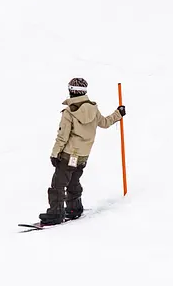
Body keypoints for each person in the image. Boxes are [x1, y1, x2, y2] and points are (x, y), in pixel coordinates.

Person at [39, 77, 125, 225]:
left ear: (71, 92)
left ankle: (56, 213)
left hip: (68, 155)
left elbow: (62, 136)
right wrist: (118, 114)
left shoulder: (69, 113)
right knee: (73, 181)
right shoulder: (93, 108)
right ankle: (74, 208)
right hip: (83, 156)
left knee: (58, 184)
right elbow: (104, 123)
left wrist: (54, 154)